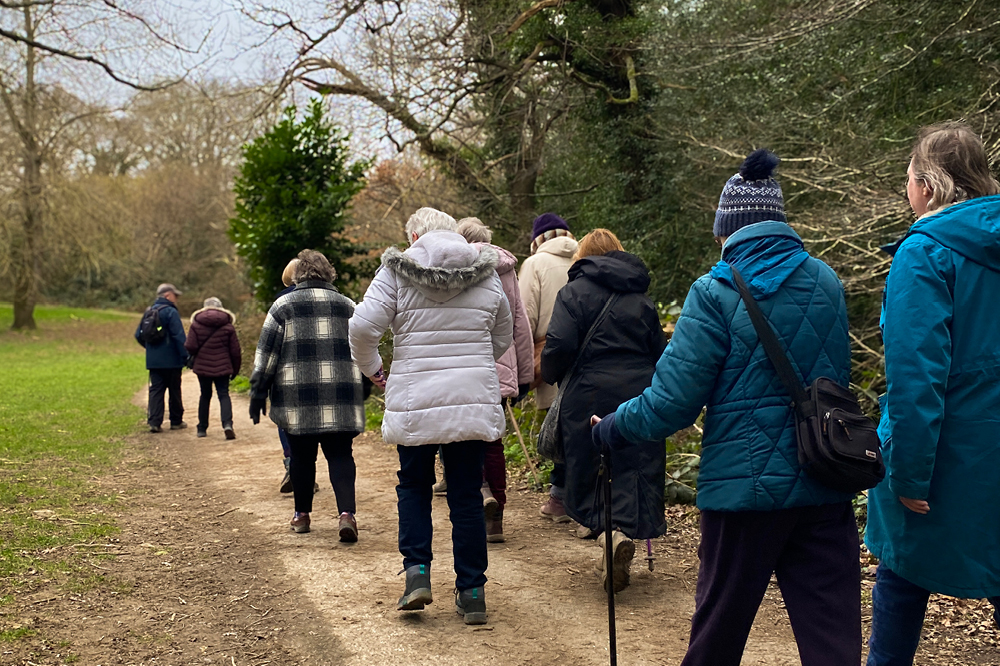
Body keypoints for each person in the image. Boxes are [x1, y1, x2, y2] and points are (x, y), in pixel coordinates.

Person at [592, 149, 861, 666]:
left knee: (718, 636)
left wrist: (612, 430)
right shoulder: (826, 280)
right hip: (825, 478)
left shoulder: (713, 292)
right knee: (833, 642)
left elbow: (671, 404)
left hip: (743, 495)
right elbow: (835, 382)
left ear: (729, 229)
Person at [864, 122, 1000, 666]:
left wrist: (907, 473)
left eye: (909, 177)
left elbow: (916, 376)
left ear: (928, 184)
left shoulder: (924, 252)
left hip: (948, 455)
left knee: (901, 578)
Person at [349, 207, 512, 625]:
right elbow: (503, 333)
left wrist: (374, 369)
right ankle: (472, 591)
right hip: (471, 399)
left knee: (415, 487)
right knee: (466, 496)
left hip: (415, 399)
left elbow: (363, 328)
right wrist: (474, 366)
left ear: (416, 235)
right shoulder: (486, 272)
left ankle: (417, 574)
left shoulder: (397, 271)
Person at [540, 229, 666, 591]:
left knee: (589, 468)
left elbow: (560, 343)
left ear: (583, 257)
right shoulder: (641, 297)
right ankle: (622, 531)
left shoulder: (573, 292)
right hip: (639, 393)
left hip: (588, 392)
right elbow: (659, 349)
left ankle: (606, 535)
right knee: (633, 465)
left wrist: (552, 373)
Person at [248, 250, 366, 542]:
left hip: (297, 396)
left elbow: (267, 354)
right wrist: (366, 383)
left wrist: (258, 390)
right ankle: (346, 515)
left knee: (302, 456)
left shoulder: (283, 305)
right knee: (340, 454)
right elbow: (365, 346)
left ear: (298, 276)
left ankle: (302, 515)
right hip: (341, 393)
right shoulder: (348, 306)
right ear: (330, 274)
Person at [457, 217, 533, 543]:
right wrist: (525, 376)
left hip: (461, 365)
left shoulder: (453, 267)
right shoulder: (506, 268)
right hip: (499, 368)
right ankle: (496, 517)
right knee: (493, 440)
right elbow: (520, 322)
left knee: (463, 439)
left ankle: (481, 491)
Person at [518, 212, 578, 522]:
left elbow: (524, 317)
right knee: (581, 422)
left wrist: (521, 361)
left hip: (550, 351)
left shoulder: (534, 265)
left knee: (558, 424)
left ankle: (559, 497)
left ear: (538, 240)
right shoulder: (586, 257)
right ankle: (572, 495)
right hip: (588, 352)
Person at [184, 297, 241, 440]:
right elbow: (235, 351)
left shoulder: (196, 324)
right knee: (223, 394)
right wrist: (235, 369)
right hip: (223, 366)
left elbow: (190, 346)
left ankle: (202, 428)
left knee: (205, 395)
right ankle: (227, 424)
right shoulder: (228, 326)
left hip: (203, 366)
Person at [135, 283, 189, 433]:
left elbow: (138, 335)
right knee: (174, 390)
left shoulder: (149, 311)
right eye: (175, 296)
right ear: (167, 296)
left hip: (154, 361)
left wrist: (151, 350)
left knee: (156, 390)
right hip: (172, 360)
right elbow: (179, 336)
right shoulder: (171, 312)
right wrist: (186, 356)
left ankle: (154, 422)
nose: (176, 299)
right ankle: (176, 421)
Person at [276, 258, 299, 494]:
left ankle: (292, 463)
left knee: (286, 420)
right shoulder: (331, 298)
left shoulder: (280, 303)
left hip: (287, 372)